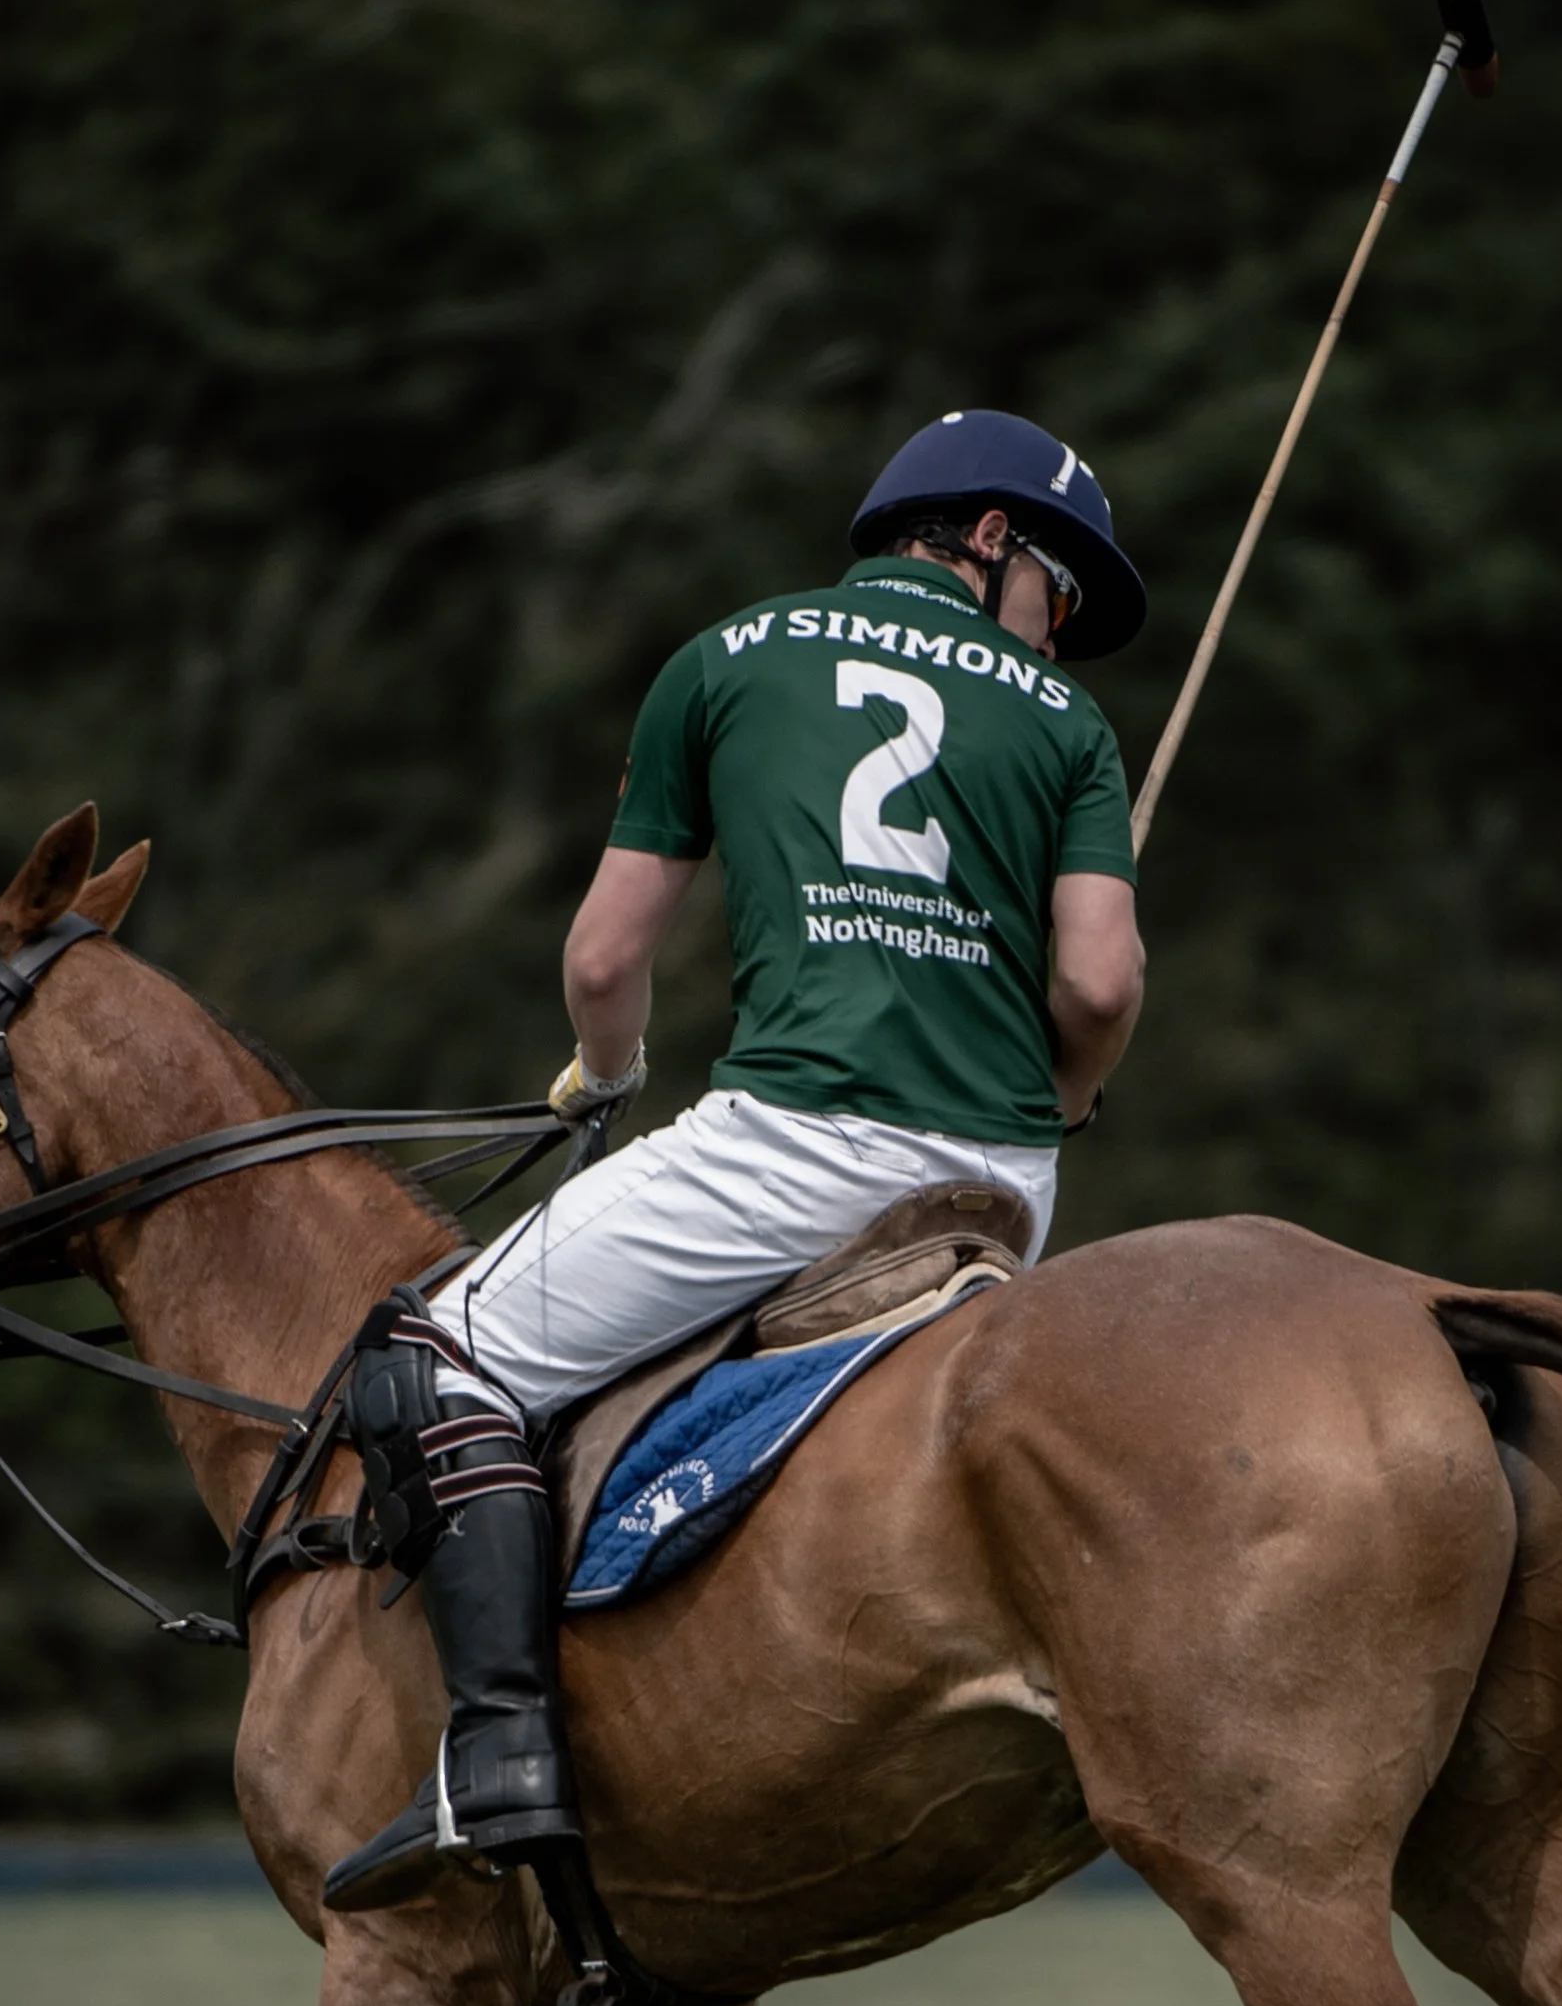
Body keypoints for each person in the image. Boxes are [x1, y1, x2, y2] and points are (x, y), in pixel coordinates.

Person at [324, 408, 1149, 1912]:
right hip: (1004, 1191)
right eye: (1060, 584)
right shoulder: (1068, 725)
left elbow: (600, 957)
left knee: (431, 1353)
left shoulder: (727, 655)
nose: (1061, 624)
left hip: (802, 1143)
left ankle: (500, 1754)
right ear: (984, 538)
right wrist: (1067, 1101)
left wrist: (615, 1078)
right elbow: (1096, 992)